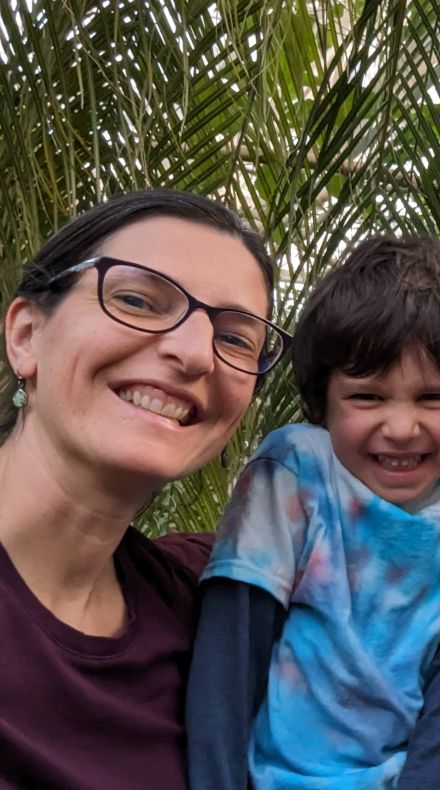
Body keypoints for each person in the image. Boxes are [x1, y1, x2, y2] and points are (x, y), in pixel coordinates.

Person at [186, 236, 440, 789]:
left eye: (433, 398)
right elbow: (230, 653)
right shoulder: (294, 473)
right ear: (324, 401)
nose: (402, 427)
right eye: (367, 397)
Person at [0, 189, 291, 790]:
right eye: (137, 300)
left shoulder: (205, 607)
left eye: (236, 340)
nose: (193, 354)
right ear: (27, 334)